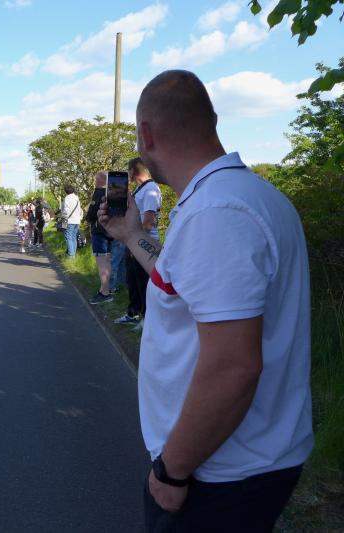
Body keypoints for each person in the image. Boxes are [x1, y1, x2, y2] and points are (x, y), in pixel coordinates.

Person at [99, 70, 312, 532]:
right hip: (240, 462)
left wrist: (171, 471)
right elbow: (176, 281)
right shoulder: (240, 196)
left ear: (146, 134)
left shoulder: (218, 212)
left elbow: (233, 367)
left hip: (217, 473)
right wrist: (131, 234)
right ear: (211, 121)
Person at [115, 157, 162, 326]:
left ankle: (146, 319)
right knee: (132, 279)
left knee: (143, 282)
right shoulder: (140, 189)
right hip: (134, 242)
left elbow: (148, 222)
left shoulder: (150, 189)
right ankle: (133, 313)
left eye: (128, 171)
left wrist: (136, 240)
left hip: (144, 243)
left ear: (132, 171)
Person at [86, 172, 114, 304]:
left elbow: (91, 214)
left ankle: (105, 293)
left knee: (102, 262)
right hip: (111, 231)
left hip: (99, 231)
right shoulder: (112, 193)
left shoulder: (99, 193)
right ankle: (105, 289)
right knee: (107, 261)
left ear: (98, 181)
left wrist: (88, 216)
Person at [60, 184, 83, 257]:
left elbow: (65, 211)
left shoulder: (67, 198)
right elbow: (80, 210)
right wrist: (80, 218)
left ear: (66, 191)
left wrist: (63, 217)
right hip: (77, 221)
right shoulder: (77, 198)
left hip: (69, 221)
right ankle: (73, 254)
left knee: (68, 237)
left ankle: (71, 256)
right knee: (73, 237)